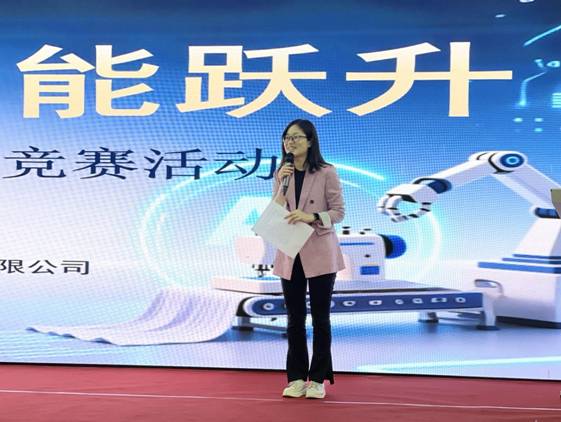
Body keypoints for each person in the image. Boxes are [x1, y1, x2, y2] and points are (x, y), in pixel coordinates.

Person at [272, 119, 345, 399]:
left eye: (296, 137)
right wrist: (281, 185)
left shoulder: (327, 172)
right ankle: (296, 379)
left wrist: (311, 216)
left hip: (319, 251)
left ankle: (317, 380)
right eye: (287, 138)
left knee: (320, 319)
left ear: (310, 141)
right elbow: (275, 210)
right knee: (294, 319)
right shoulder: (282, 172)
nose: (290, 142)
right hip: (290, 251)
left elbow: (338, 212)